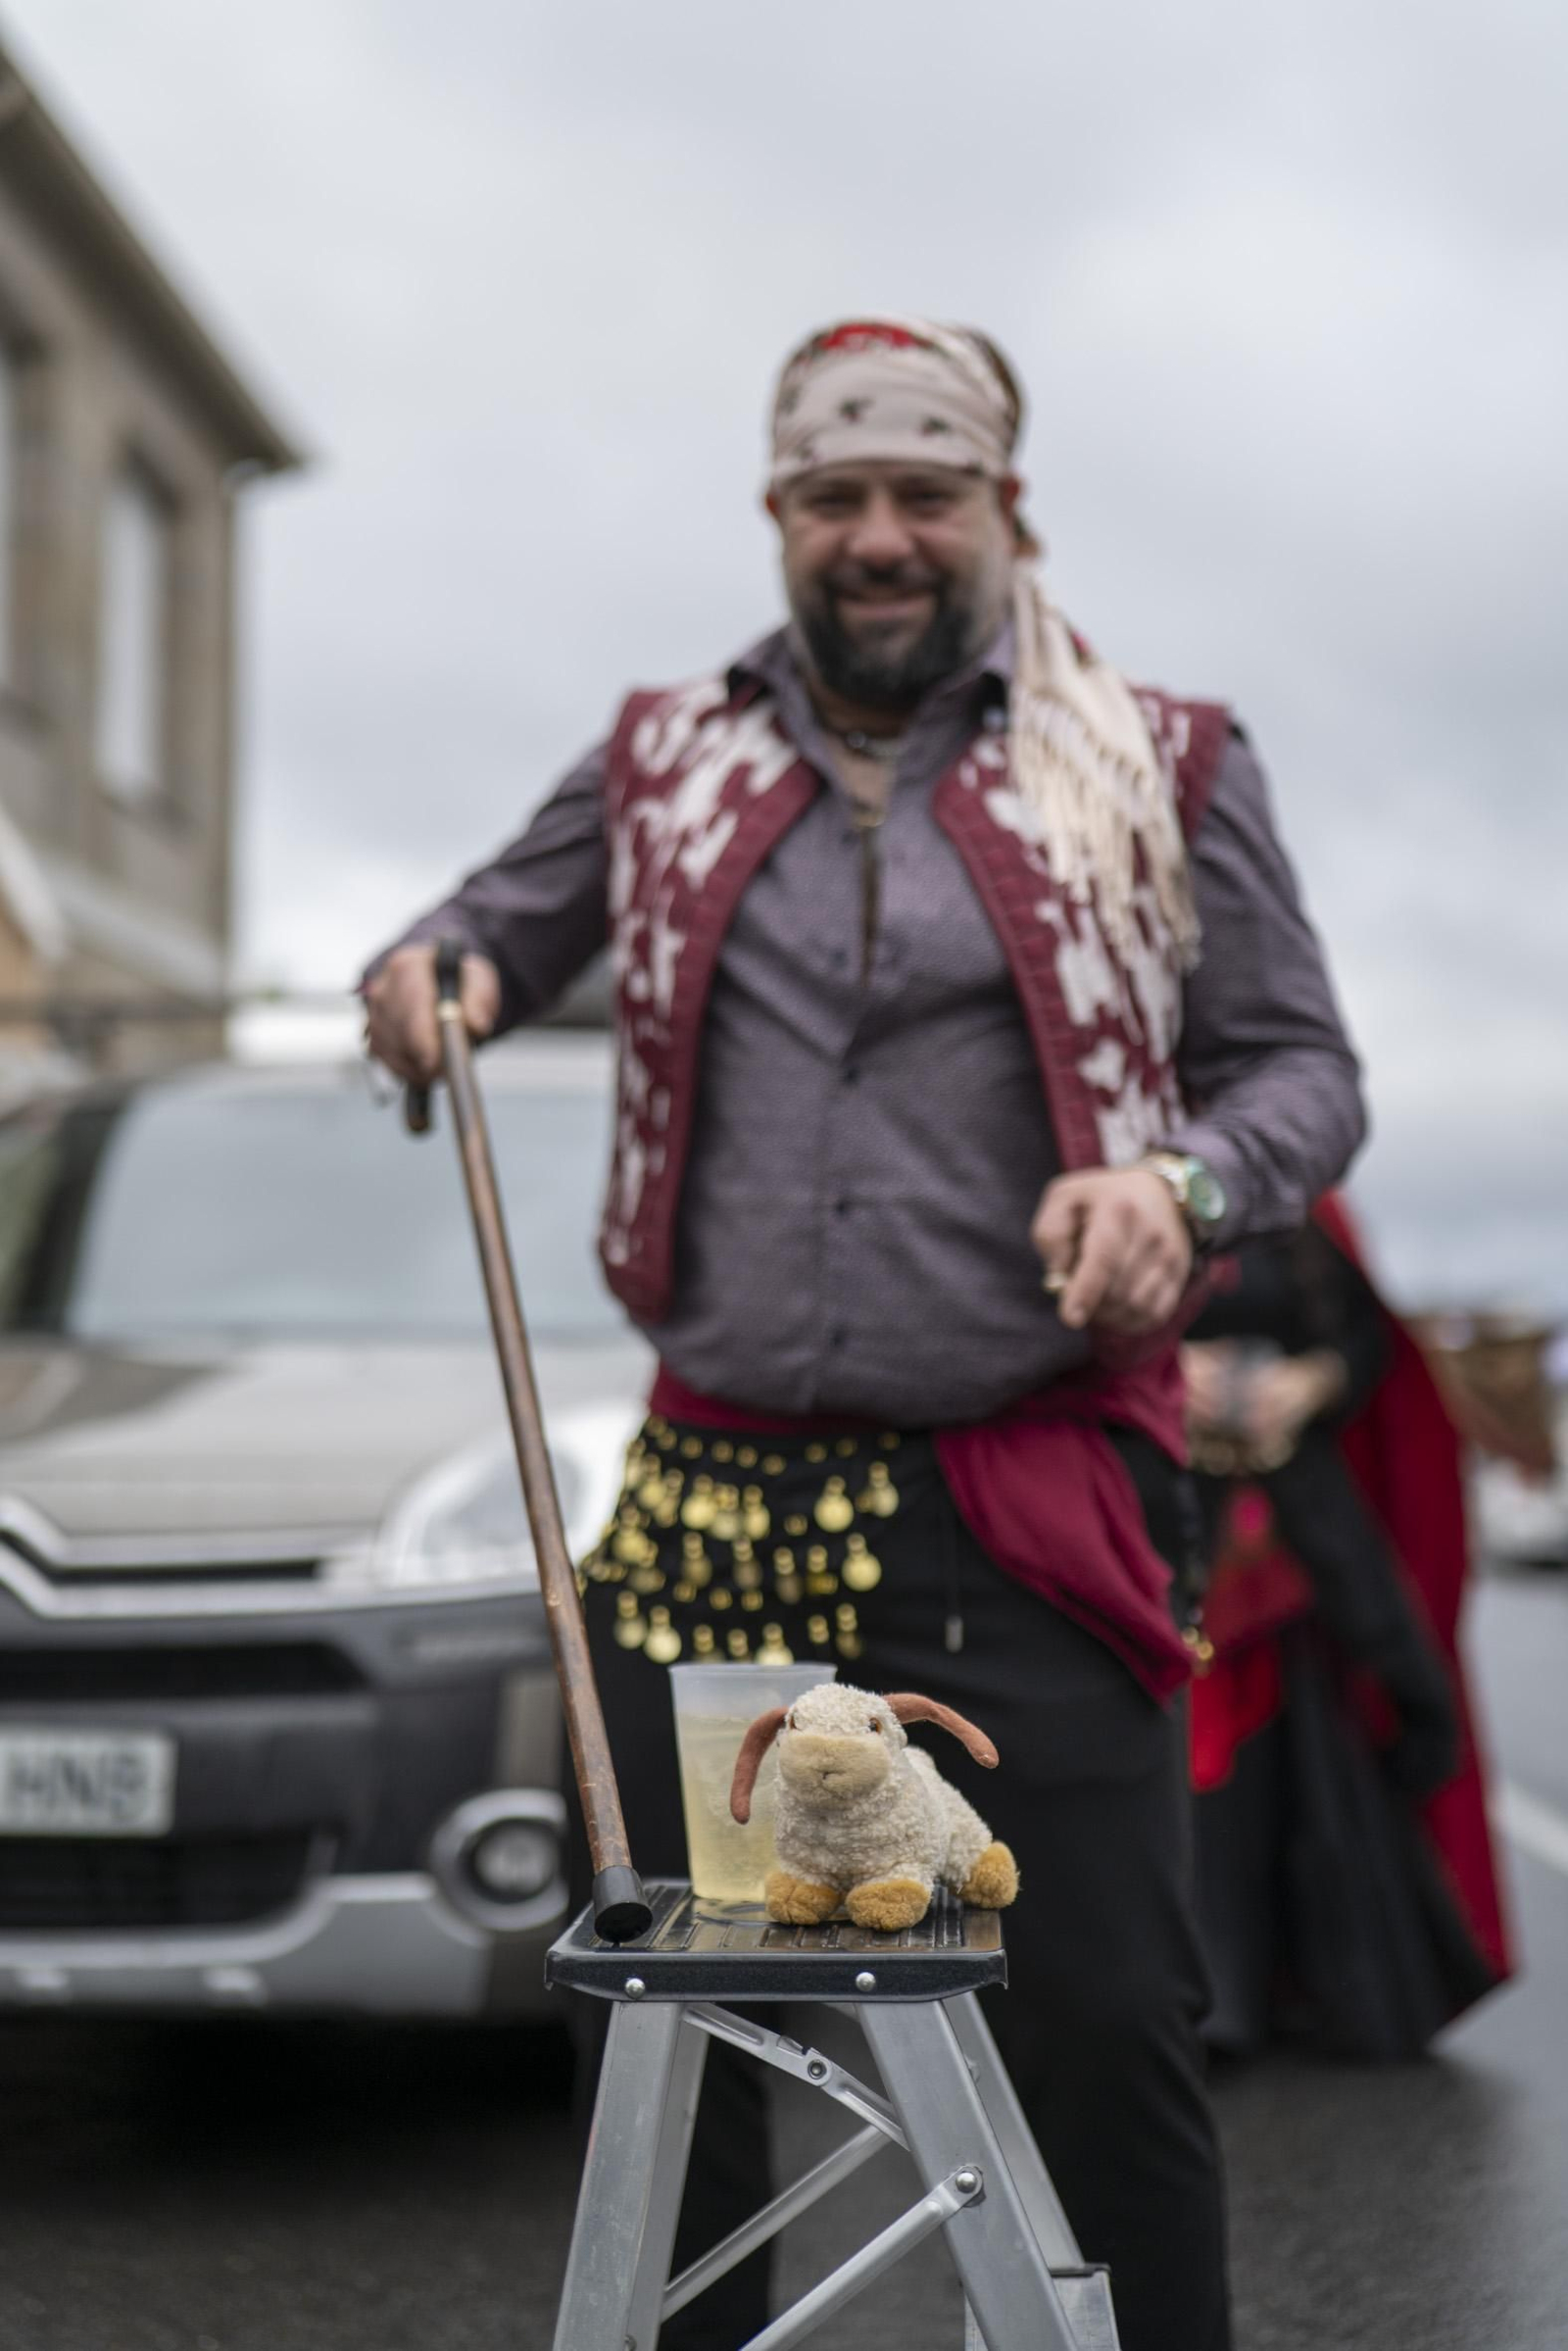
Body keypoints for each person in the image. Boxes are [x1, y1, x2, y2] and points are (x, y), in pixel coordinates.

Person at [365, 315, 1367, 2351]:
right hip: (709, 1507)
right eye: (836, 497)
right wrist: (428, 974)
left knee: (1100, 2021)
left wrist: (1172, 1187)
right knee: (678, 2042)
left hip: (1020, 1494)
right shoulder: (657, 752)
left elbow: (1295, 1069)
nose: (880, 535)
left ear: (1005, 509)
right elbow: (478, 929)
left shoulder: (1161, 753)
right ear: (778, 517)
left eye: (927, 493)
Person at [1184, 1199, 1513, 2061]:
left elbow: (1364, 1345)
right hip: (1173, 1527)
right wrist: (1169, 1376)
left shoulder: (1301, 1210)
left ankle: (1325, 1983)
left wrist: (1310, 1382)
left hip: (1302, 1534)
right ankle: (1213, 1997)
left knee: (1331, 1746)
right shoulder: (1112, 1171)